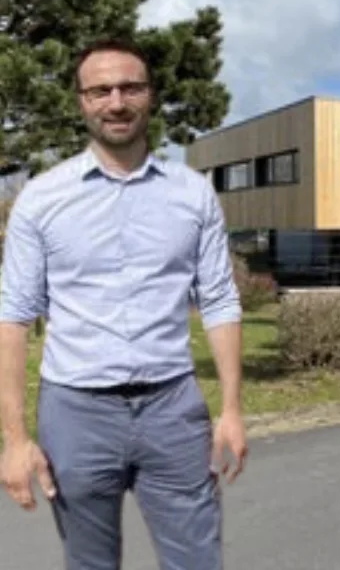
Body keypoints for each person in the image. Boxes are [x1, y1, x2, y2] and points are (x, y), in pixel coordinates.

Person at [0, 38, 248, 569]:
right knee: (91, 564)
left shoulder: (192, 193)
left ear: (150, 96)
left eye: (130, 87)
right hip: (76, 413)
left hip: (173, 409)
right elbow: (14, 317)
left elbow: (221, 300)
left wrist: (231, 410)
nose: (116, 102)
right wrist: (15, 439)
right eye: (100, 90)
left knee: (197, 561)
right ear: (82, 101)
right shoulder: (41, 200)